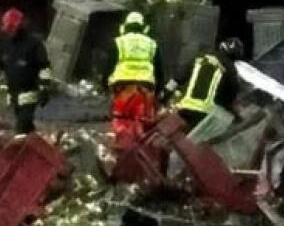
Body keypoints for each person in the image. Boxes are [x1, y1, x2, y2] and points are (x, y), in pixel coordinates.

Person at [0, 9, 51, 135]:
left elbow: (44, 67)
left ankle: (22, 141)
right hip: (13, 93)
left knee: (22, 125)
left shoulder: (34, 44)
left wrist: (44, 88)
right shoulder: (6, 45)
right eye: (8, 30)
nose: (11, 32)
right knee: (26, 126)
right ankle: (33, 141)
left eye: (12, 29)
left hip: (29, 92)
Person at [102, 12, 163, 148]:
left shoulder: (119, 42)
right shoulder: (152, 44)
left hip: (122, 88)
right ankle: (141, 152)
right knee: (144, 123)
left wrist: (105, 85)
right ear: (144, 28)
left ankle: (122, 149)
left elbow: (109, 67)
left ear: (125, 26)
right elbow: (159, 71)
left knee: (121, 120)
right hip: (145, 89)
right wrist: (158, 93)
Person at [177, 38, 244, 127]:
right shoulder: (231, 71)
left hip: (183, 106)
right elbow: (229, 98)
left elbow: (179, 77)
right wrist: (235, 115)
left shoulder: (201, 56)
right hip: (203, 115)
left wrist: (165, 95)